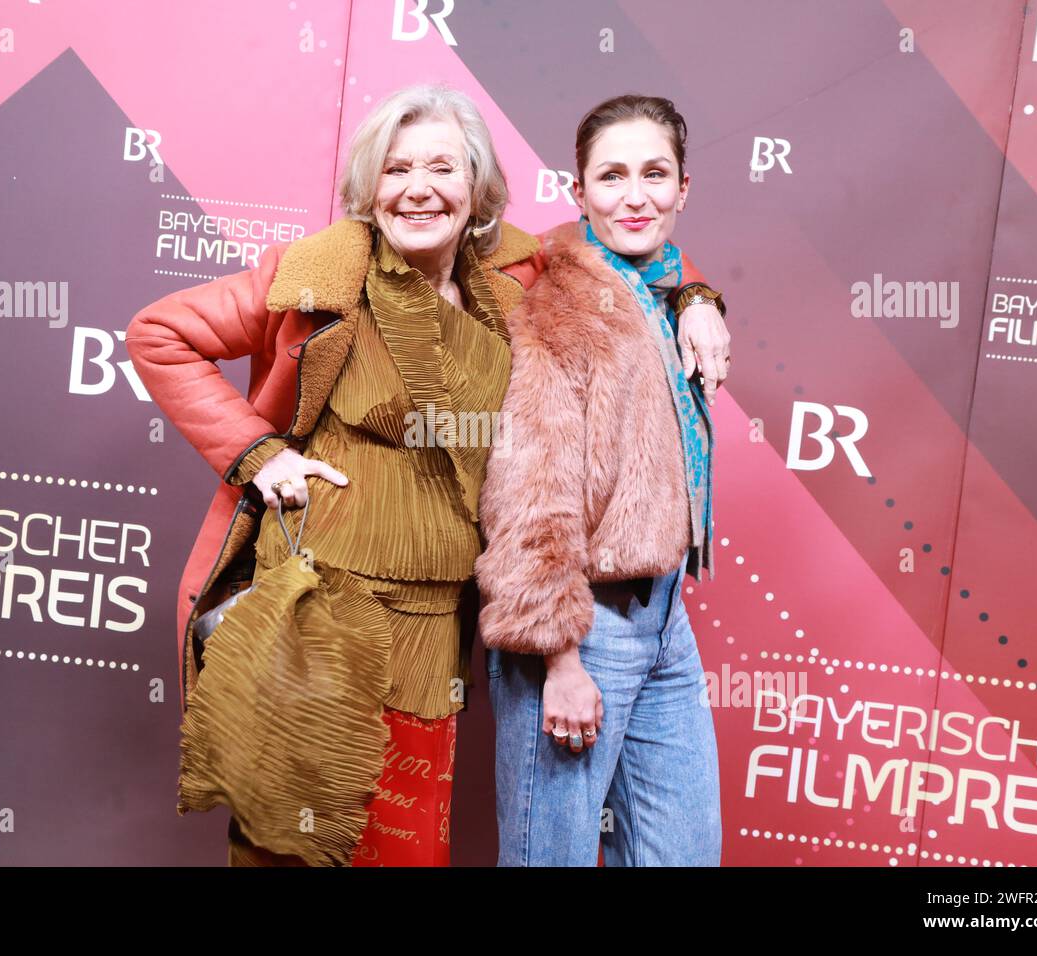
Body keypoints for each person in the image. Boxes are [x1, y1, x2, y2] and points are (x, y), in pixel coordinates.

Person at [127, 83, 728, 867]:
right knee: (296, 839)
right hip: (321, 616)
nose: (418, 188)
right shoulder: (319, 277)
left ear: (475, 185)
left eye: (442, 167)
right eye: (396, 168)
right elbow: (159, 334)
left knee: (405, 849)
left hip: (432, 627)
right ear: (367, 188)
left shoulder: (509, 276)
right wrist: (259, 454)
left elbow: (620, 246)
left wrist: (696, 297)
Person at [475, 94, 730, 866]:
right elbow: (529, 494)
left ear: (684, 188)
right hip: (579, 628)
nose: (636, 195)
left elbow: (656, 270)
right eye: (611, 177)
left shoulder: (662, 288)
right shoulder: (557, 307)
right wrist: (558, 659)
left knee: (681, 853)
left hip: (665, 624)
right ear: (578, 192)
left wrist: (698, 294)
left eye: (655, 174)